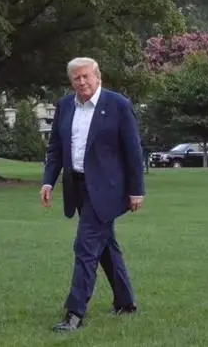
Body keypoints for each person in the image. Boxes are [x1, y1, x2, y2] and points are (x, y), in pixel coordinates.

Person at [40, 57, 145, 332]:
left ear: (98, 76)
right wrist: (48, 182)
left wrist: (137, 191)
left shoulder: (118, 105)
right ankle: (126, 302)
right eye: (76, 78)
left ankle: (74, 314)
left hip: (108, 190)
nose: (82, 82)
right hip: (77, 187)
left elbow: (133, 151)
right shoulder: (64, 106)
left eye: (86, 76)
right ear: (71, 81)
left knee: (85, 247)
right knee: (106, 247)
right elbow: (55, 149)